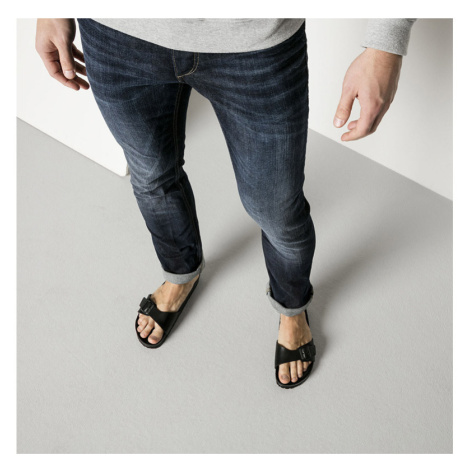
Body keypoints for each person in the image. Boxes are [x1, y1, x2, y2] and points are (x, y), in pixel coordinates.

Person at [35, 18, 417, 389]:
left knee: (276, 208)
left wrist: (386, 42)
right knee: (152, 176)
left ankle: (291, 305)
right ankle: (181, 273)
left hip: (254, 41)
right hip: (116, 31)